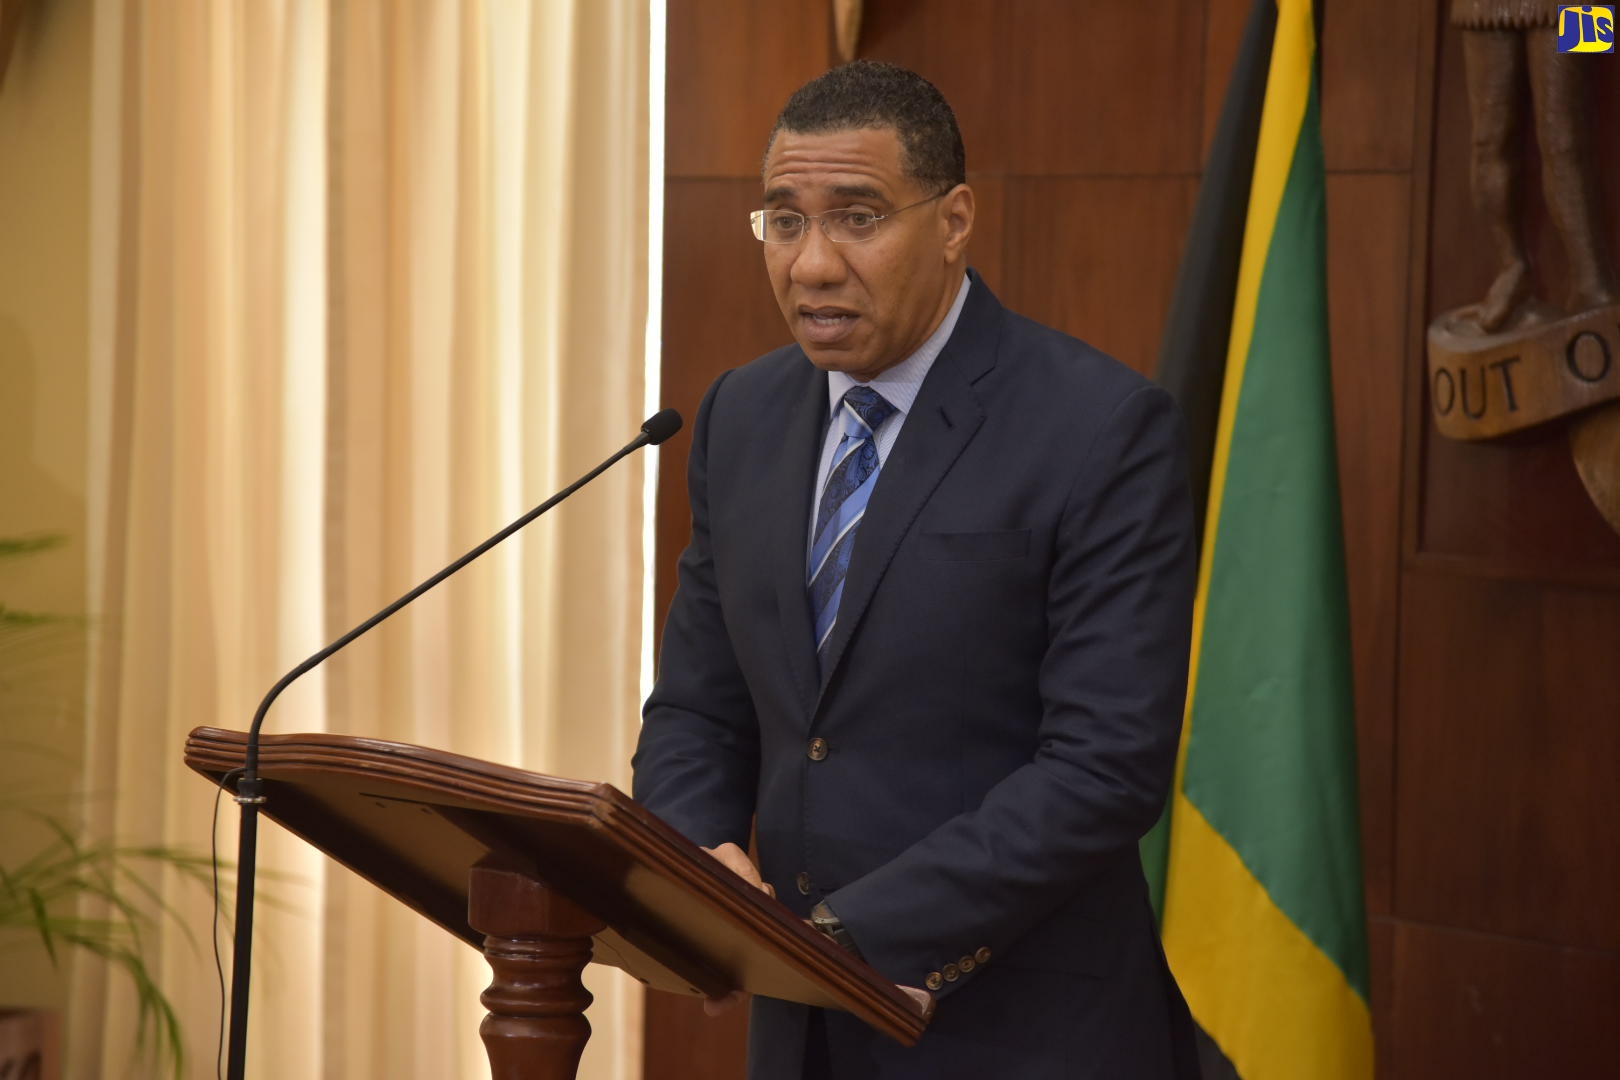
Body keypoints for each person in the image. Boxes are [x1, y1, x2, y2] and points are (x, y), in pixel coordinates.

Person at [633, 60, 1200, 1080]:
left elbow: (1103, 766)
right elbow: (698, 708)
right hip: (799, 1033)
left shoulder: (1098, 428)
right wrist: (695, 862)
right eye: (784, 220)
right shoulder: (740, 416)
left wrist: (851, 937)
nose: (810, 265)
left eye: (856, 217)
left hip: (1019, 1033)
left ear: (953, 219)